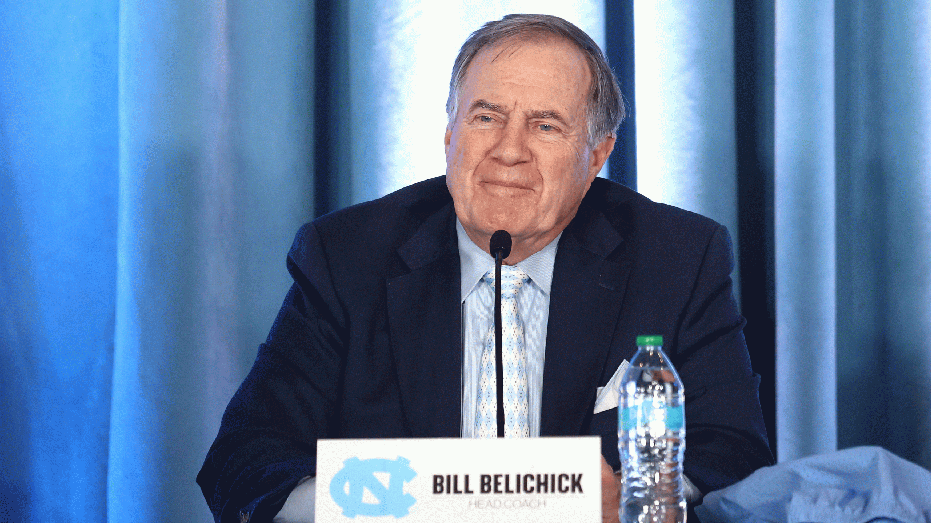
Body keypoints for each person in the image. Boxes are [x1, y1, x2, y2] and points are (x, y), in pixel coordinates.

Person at [197, 14, 774, 523]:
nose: (509, 150)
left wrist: (633, 498)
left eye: (546, 125)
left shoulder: (677, 255)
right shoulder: (347, 255)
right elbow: (246, 460)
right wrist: (375, 504)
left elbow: (731, 444)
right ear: (450, 134)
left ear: (597, 155)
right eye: (486, 117)